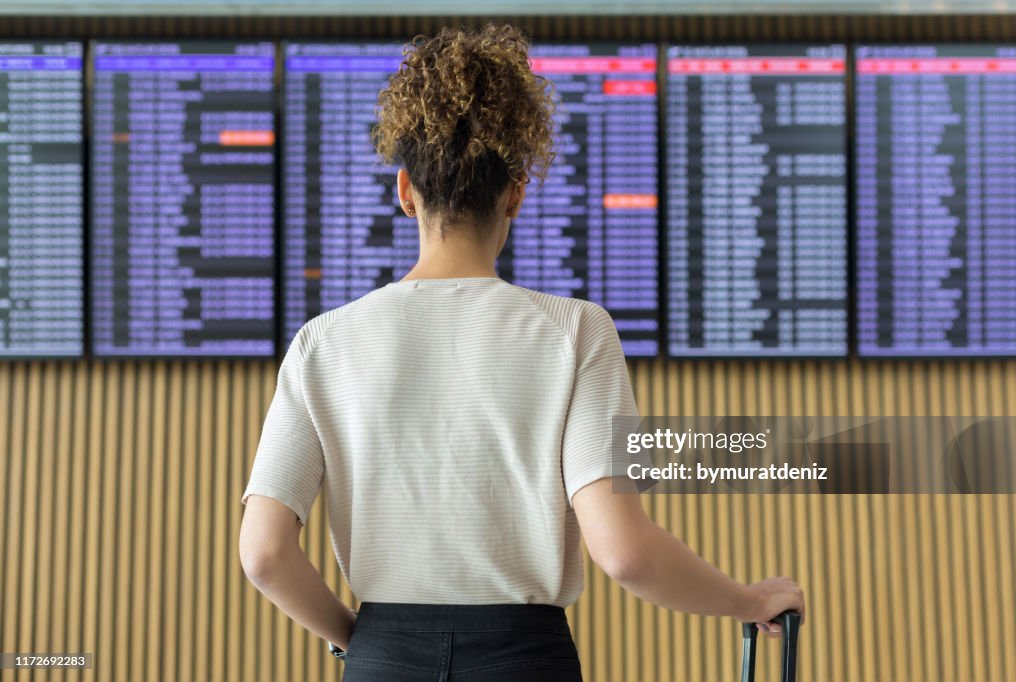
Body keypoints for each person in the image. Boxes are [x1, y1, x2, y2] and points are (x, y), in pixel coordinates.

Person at [238, 23, 805, 682]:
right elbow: (623, 554)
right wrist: (749, 600)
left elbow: (264, 555)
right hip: (525, 661)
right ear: (515, 192)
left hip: (383, 655)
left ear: (404, 191)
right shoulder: (575, 331)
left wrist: (360, 642)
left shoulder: (323, 344)